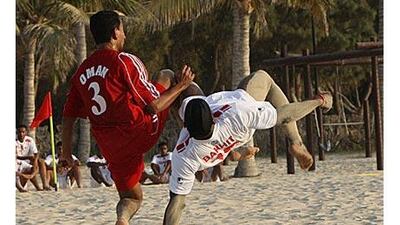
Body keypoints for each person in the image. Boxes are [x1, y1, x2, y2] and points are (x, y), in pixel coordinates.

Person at [60, 10, 194, 225]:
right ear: (114, 32)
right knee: (167, 76)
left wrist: (66, 153)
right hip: (140, 131)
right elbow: (154, 106)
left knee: (131, 197)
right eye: (122, 30)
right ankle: (196, 136)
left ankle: (122, 220)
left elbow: (68, 118)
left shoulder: (81, 71)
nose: (125, 36)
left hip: (110, 146)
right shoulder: (123, 61)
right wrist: (182, 86)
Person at [163, 70, 333, 224]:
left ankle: (233, 153)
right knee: (264, 78)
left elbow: (176, 204)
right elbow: (286, 115)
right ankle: (297, 142)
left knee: (171, 77)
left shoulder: (183, 155)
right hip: (237, 120)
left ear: (186, 127)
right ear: (210, 116)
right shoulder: (239, 113)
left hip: (218, 144)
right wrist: (319, 100)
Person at [15, 124, 50, 192]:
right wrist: (29, 158)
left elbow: (36, 153)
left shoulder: (29, 140)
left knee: (41, 161)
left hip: (27, 161)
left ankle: (45, 185)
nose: (21, 134)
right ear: (17, 132)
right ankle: (21, 186)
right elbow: (16, 157)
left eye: (23, 132)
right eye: (19, 132)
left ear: (26, 132)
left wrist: (35, 162)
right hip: (17, 161)